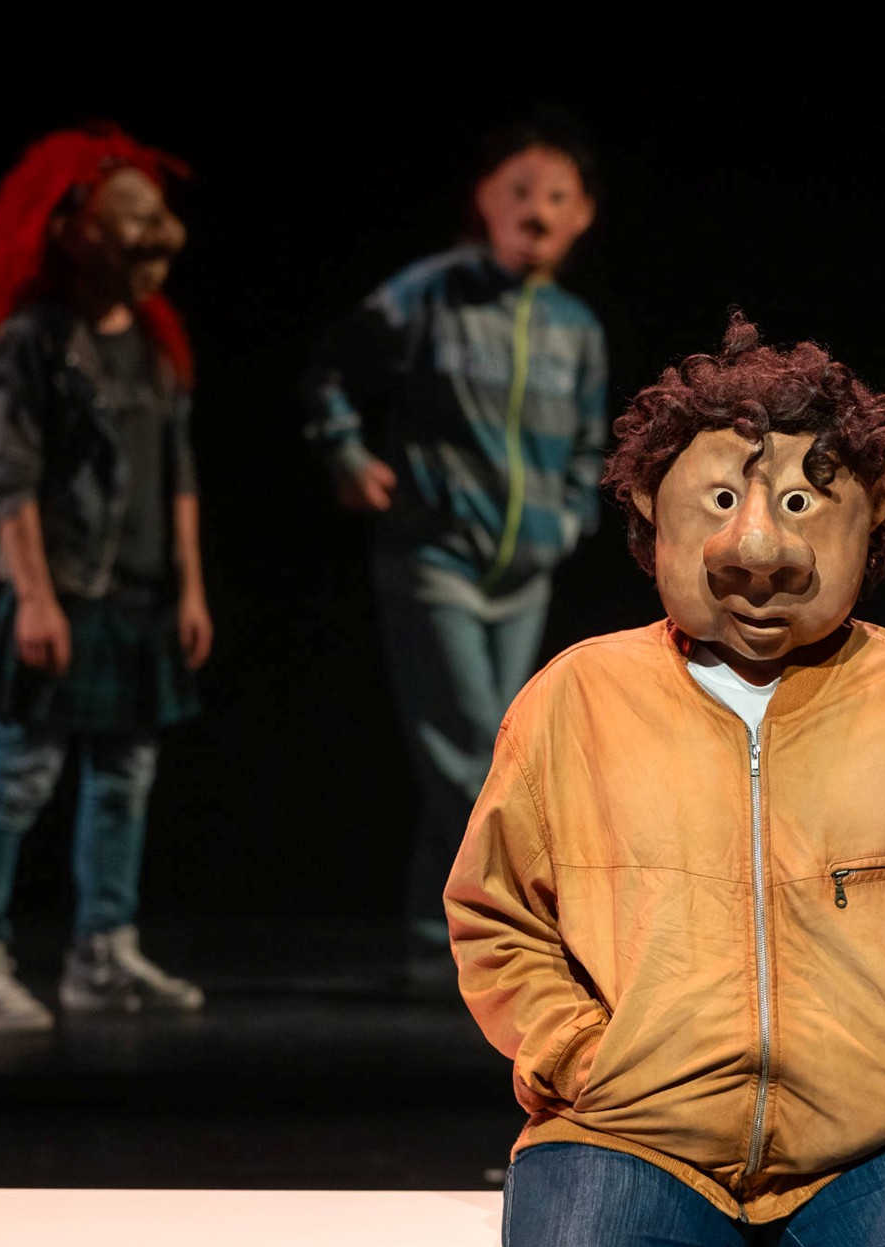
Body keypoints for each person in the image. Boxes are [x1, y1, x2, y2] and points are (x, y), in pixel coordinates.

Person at [446, 314, 885, 1247]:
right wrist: (581, 1058)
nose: (756, 547)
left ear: (876, 508)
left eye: (798, 503)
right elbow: (498, 915)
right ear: (653, 503)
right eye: (719, 499)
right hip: (625, 1134)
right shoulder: (573, 700)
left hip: (882, 1143)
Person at [300, 109, 607, 989]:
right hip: (434, 557)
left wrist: (566, 522)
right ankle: (493, 942)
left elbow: (591, 445)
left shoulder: (578, 327)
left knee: (487, 759)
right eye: (520, 192)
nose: (537, 211)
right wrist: (345, 454)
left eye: (558, 196)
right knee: (471, 749)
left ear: (584, 215)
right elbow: (330, 366)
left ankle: (434, 939)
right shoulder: (430, 292)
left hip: (524, 576)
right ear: (484, 199)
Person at [0, 125, 211, 1033]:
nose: (150, 235)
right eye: (126, 217)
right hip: (66, 590)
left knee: (125, 775)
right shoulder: (34, 338)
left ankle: (104, 952)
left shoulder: (157, 342)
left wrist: (191, 589)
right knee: (22, 773)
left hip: (141, 595)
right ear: (70, 231)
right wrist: (35, 596)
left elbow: (179, 477)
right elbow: (9, 477)